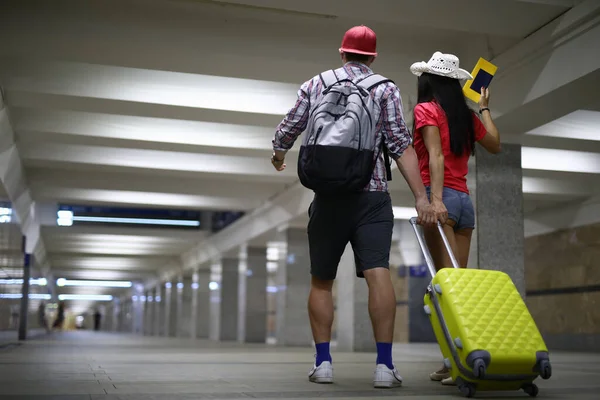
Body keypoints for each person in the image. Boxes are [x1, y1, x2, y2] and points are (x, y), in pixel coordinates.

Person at [271, 25, 439, 388]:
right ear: (373, 56)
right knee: (378, 274)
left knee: (321, 281)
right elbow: (399, 144)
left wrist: (279, 152)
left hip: (328, 198)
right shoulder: (385, 88)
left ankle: (323, 363)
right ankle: (383, 367)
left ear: (342, 52)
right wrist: (422, 197)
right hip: (372, 197)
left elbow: (289, 127)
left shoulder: (316, 83)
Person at [409, 52, 501, 386]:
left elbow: (434, 155)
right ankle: (452, 361)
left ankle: (460, 361)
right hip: (464, 202)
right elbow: (495, 144)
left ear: (428, 80)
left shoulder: (426, 110)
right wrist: (485, 108)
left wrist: (433, 201)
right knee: (456, 286)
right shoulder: (466, 116)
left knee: (447, 289)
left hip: (444, 199)